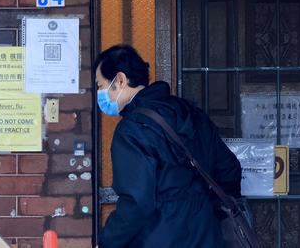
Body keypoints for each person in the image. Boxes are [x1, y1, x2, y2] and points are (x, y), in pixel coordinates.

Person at [95, 44, 242, 248]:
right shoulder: (190, 112)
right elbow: (229, 169)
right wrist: (205, 211)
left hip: (158, 238)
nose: (100, 94)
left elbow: (137, 203)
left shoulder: (132, 129)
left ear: (120, 80)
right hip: (207, 235)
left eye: (100, 86)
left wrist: (108, 241)